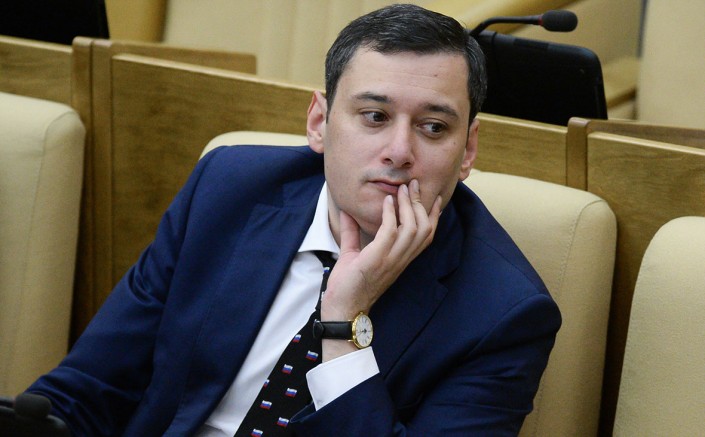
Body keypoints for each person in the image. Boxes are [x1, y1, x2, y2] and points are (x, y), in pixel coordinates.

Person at [26, 4, 561, 436]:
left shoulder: (504, 315)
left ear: (468, 150)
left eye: (434, 127)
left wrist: (343, 323)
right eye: (374, 116)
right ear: (319, 123)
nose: (399, 151)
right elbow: (89, 390)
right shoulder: (227, 190)